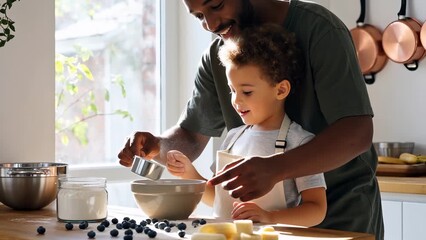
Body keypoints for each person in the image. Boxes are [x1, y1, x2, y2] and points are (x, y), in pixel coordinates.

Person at [118, 0, 384, 239]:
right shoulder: (218, 57)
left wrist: (275, 168)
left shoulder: (320, 30)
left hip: (341, 216)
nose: (211, 24)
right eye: (199, 16)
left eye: (217, 5)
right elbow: (192, 134)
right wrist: (158, 146)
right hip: (257, 232)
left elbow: (357, 132)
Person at [166, 23, 327, 227]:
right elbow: (217, 199)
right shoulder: (234, 137)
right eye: (232, 90)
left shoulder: (300, 142)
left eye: (247, 92)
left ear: (281, 90)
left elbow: (316, 209)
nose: (236, 100)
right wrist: (188, 173)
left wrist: (270, 218)